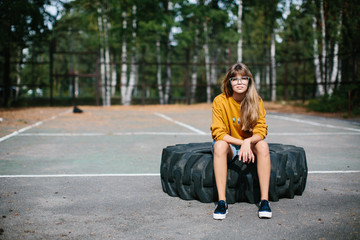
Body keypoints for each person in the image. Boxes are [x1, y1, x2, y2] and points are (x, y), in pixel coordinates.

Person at [210, 62, 272, 220]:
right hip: (231, 144)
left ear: (249, 81)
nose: (239, 82)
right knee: (219, 146)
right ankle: (222, 202)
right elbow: (218, 132)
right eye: (235, 79)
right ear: (229, 82)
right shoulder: (220, 101)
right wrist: (242, 143)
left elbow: (261, 130)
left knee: (263, 146)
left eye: (244, 78)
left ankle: (265, 201)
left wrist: (248, 142)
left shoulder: (256, 101)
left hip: (250, 143)